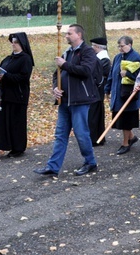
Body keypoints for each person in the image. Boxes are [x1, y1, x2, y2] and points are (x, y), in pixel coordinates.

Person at [34, 24, 100, 176]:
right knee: (60, 135)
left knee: (81, 133)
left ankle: (90, 162)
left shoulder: (87, 51)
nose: (66, 36)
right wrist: (55, 88)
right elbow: (55, 74)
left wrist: (65, 65)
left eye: (69, 33)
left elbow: (86, 71)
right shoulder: (67, 52)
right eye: (66, 33)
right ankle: (53, 167)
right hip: (65, 101)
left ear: (79, 35)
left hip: (80, 100)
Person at [0, 32, 34, 158]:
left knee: (16, 123)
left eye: (16, 42)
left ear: (22, 44)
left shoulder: (26, 59)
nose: (13, 45)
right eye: (12, 42)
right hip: (3, 96)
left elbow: (24, 77)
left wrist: (6, 76)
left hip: (17, 96)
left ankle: (17, 148)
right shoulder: (7, 59)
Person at [106, 36, 140, 155]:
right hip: (118, 94)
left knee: (126, 118)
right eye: (119, 46)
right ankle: (131, 137)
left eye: (122, 46)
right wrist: (107, 89)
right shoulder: (117, 57)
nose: (120, 48)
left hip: (128, 94)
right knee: (120, 118)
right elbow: (111, 74)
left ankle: (125, 143)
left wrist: (128, 74)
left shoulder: (136, 57)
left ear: (130, 44)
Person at [88, 37, 111, 146]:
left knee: (94, 114)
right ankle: (96, 137)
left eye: (93, 46)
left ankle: (95, 138)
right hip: (96, 90)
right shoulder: (100, 58)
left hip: (97, 90)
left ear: (97, 47)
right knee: (95, 114)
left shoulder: (104, 59)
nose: (92, 48)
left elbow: (99, 75)